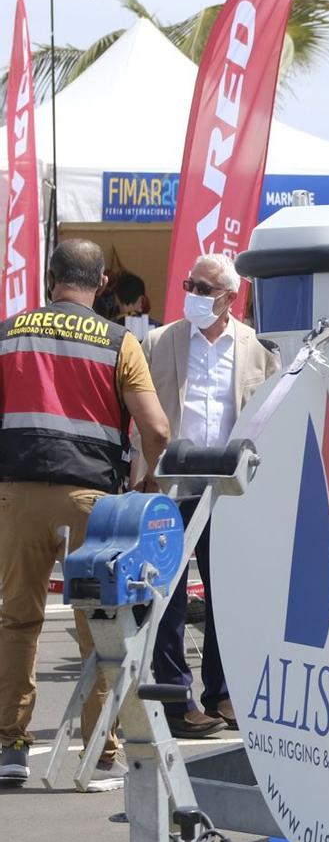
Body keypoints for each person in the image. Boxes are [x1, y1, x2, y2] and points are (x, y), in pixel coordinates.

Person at [0, 241, 171, 789]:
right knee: (97, 626)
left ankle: (9, 745)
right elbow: (158, 430)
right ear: (101, 284)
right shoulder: (120, 341)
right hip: (92, 503)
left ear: (50, 277)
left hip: (18, 494)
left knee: (16, 621)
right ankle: (99, 754)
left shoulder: (8, 334)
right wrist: (149, 481)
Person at [144, 253, 282, 739]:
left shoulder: (256, 349)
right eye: (190, 284)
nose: (195, 295)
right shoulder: (159, 340)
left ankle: (222, 692)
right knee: (170, 594)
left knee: (228, 594)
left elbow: (269, 419)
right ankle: (175, 698)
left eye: (205, 288)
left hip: (227, 487)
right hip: (170, 482)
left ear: (230, 297)